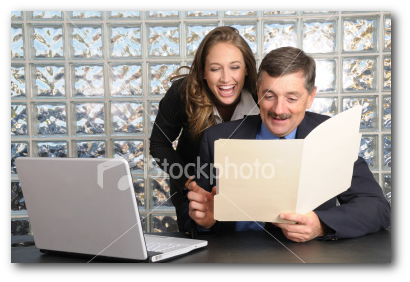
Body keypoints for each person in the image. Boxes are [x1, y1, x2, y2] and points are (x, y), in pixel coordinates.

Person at [182, 46, 391, 242]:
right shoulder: (217, 138)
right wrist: (206, 221)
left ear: (310, 97)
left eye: (291, 98)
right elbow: (191, 215)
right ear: (257, 91)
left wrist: (320, 225)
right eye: (269, 95)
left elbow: (378, 208)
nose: (279, 109)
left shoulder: (332, 134)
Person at [149, 26, 260, 231]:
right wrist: (189, 181)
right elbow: (158, 144)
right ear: (202, 72)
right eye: (215, 68)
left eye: (234, 67)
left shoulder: (262, 96)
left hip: (245, 190)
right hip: (194, 189)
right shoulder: (182, 94)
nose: (226, 79)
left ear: (247, 69)